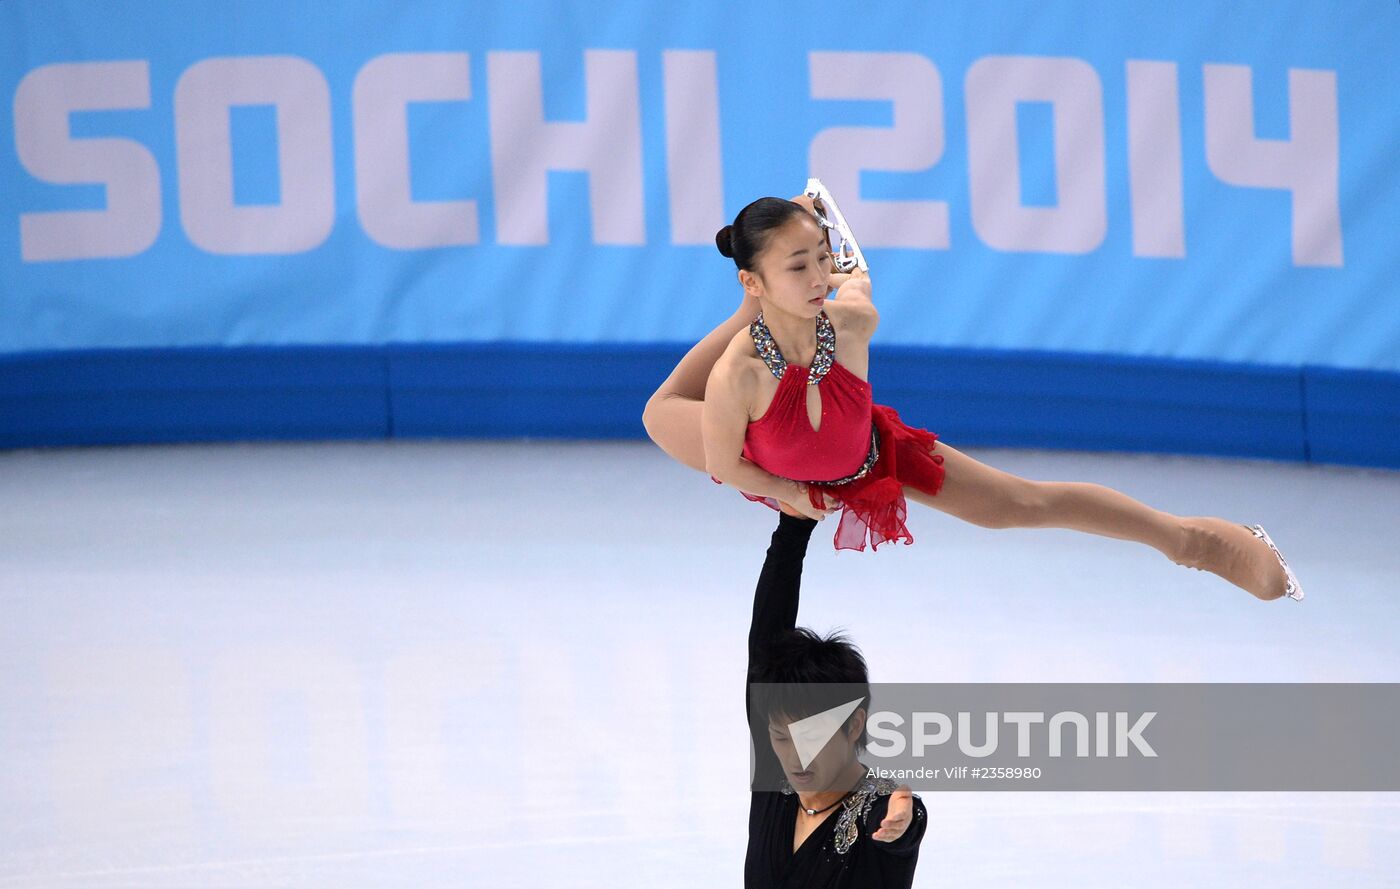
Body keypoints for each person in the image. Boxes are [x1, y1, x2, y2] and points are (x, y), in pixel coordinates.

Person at [642, 194, 1303, 601]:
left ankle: (1192, 541)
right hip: (770, 458)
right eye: (796, 265)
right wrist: (787, 494)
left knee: (1020, 503)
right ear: (756, 278)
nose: (818, 275)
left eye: (822, 258)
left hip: (866, 454)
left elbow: (854, 288)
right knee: (660, 408)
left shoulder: (851, 323)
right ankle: (746, 308)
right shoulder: (739, 373)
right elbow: (726, 465)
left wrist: (831, 271)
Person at [746, 509, 927, 887]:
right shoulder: (774, 771)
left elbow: (900, 821)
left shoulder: (876, 811)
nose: (796, 757)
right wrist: (793, 525)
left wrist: (905, 821)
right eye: (781, 737)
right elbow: (766, 642)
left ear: (853, 724)